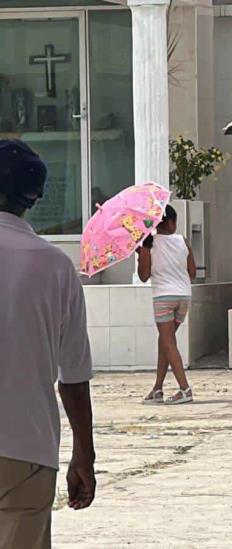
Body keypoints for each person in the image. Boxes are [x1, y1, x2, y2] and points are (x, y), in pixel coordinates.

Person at [0, 139, 96, 548]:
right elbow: (73, 378)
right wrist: (84, 456)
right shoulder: (57, 267)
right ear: (33, 198)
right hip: (28, 449)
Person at [137, 205, 196, 405]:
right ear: (171, 222)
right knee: (166, 340)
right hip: (184, 296)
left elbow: (144, 276)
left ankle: (184, 389)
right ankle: (157, 388)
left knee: (168, 341)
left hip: (163, 296)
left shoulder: (149, 244)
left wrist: (142, 254)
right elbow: (193, 272)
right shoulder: (183, 241)